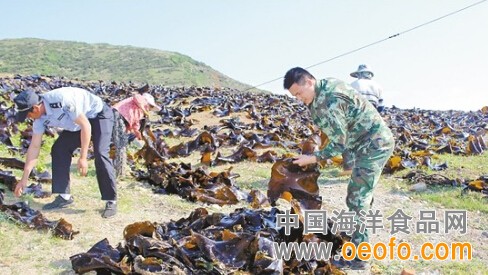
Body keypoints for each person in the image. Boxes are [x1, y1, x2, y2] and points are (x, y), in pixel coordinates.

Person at [283, 67, 394, 270]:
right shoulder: (322, 92)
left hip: (374, 145)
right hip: (364, 145)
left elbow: (339, 142)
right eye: (294, 96)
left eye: (299, 93)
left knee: (356, 198)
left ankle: (361, 258)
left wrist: (313, 158)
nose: (299, 99)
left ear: (309, 81)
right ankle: (361, 235)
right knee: (361, 196)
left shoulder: (329, 99)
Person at [13, 87, 118, 218]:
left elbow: (86, 126)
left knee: (101, 153)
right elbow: (34, 147)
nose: (28, 118)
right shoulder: (38, 119)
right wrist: (24, 179)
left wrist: (83, 157)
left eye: (28, 114)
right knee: (59, 149)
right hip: (77, 123)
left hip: (98, 115)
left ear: (35, 108)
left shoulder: (62, 100)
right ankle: (64, 197)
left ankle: (111, 200)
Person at [112, 92, 161, 177]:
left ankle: (120, 170)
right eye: (151, 106)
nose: (150, 108)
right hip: (118, 115)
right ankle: (120, 172)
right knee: (121, 145)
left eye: (151, 107)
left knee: (122, 144)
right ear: (147, 102)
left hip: (122, 120)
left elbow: (136, 125)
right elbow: (136, 96)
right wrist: (144, 109)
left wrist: (138, 134)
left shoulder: (140, 112)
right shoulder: (139, 100)